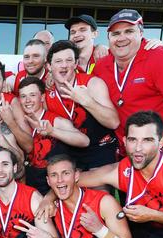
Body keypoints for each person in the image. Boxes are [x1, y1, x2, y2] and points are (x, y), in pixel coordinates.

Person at [93, 9, 163, 154]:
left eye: (129, 31)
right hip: (127, 149)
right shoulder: (102, 65)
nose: (121, 38)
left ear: (141, 33)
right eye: (115, 34)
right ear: (109, 38)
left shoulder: (162, 58)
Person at [45, 40, 120, 183]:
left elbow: (114, 122)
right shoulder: (48, 95)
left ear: (75, 64)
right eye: (58, 61)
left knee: (99, 194)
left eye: (69, 60)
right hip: (72, 150)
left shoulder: (92, 83)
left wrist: (86, 101)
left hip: (100, 147)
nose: (64, 65)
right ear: (49, 66)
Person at [17, 77, 88, 194]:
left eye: (32, 95)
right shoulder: (21, 124)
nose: (27, 100)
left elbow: (84, 141)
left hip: (56, 186)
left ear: (43, 97)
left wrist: (52, 131)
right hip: (31, 186)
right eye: (23, 96)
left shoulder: (56, 121)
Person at [0, 59, 32, 155]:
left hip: (9, 160)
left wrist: (10, 121)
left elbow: (29, 147)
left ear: (4, 83)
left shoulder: (12, 102)